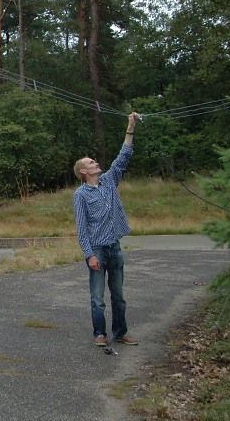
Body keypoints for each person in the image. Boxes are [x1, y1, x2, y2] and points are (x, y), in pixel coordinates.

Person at [73, 112, 141, 348]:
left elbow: (123, 156)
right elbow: (81, 228)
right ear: (83, 172)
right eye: (91, 162)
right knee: (97, 298)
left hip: (114, 247)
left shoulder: (110, 181)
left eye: (94, 161)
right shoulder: (80, 195)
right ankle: (99, 333)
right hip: (97, 251)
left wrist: (130, 127)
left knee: (119, 296)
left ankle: (120, 333)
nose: (95, 163)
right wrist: (89, 255)